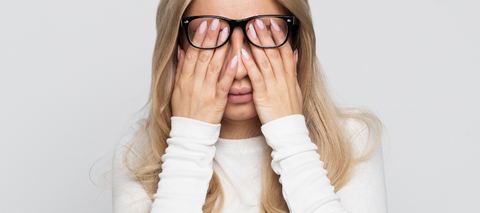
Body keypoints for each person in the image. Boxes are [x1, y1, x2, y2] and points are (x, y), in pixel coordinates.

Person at [111, 0, 387, 212]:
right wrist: (188, 140)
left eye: (266, 32)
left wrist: (290, 135)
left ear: (296, 46)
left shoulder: (353, 140)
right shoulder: (139, 151)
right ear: (176, 49)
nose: (239, 68)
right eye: (211, 36)